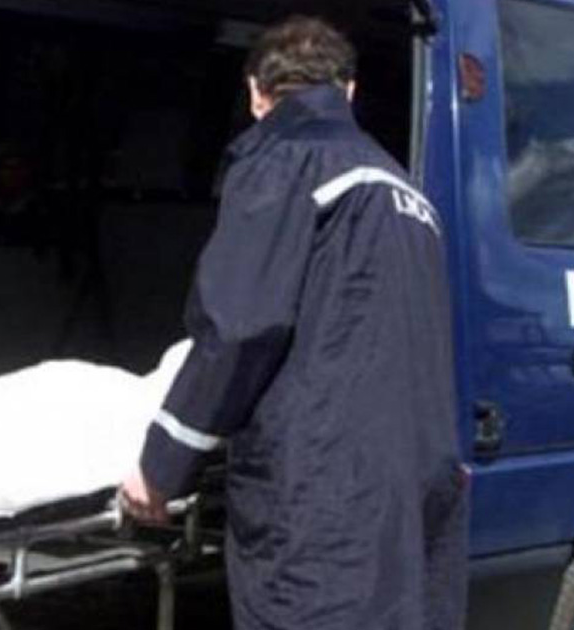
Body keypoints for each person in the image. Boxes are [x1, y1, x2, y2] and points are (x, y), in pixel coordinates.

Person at [121, 16, 467, 630]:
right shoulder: (409, 195)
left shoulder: (284, 162)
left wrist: (162, 465)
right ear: (349, 91)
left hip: (322, 503)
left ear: (257, 94)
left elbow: (240, 328)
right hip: (415, 484)